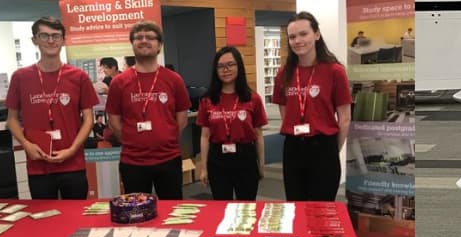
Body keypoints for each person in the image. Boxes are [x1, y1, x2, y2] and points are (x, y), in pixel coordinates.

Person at [5, 17, 99, 199]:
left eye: (56, 36)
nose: (50, 41)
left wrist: (72, 149)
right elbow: (12, 119)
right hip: (38, 165)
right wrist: (26, 144)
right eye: (44, 35)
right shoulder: (20, 77)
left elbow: (88, 119)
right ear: (35, 40)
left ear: (63, 40)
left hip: (73, 163)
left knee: (76, 218)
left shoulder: (79, 76)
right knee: (44, 219)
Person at [105, 21, 191, 200]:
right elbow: (114, 121)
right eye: (139, 37)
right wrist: (132, 141)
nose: (144, 41)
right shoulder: (119, 82)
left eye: (150, 37)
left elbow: (182, 119)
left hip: (168, 159)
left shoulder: (174, 79)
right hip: (133, 161)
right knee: (136, 214)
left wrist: (165, 138)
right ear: (132, 44)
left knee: (172, 211)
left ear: (159, 45)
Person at [272, 12, 352, 201]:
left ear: (316, 34)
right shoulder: (284, 73)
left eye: (303, 34)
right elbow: (284, 110)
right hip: (293, 147)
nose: (298, 40)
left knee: (322, 208)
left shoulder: (335, 71)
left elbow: (345, 117)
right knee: (295, 205)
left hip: (323, 146)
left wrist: (333, 148)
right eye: (292, 37)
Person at [197, 46, 267, 201]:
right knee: (222, 207)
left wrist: (261, 164)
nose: (225, 70)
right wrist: (203, 168)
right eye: (220, 66)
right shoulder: (207, 100)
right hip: (218, 159)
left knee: (247, 207)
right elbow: (204, 136)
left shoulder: (252, 98)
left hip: (245, 157)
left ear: (239, 66)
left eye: (230, 65)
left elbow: (258, 134)